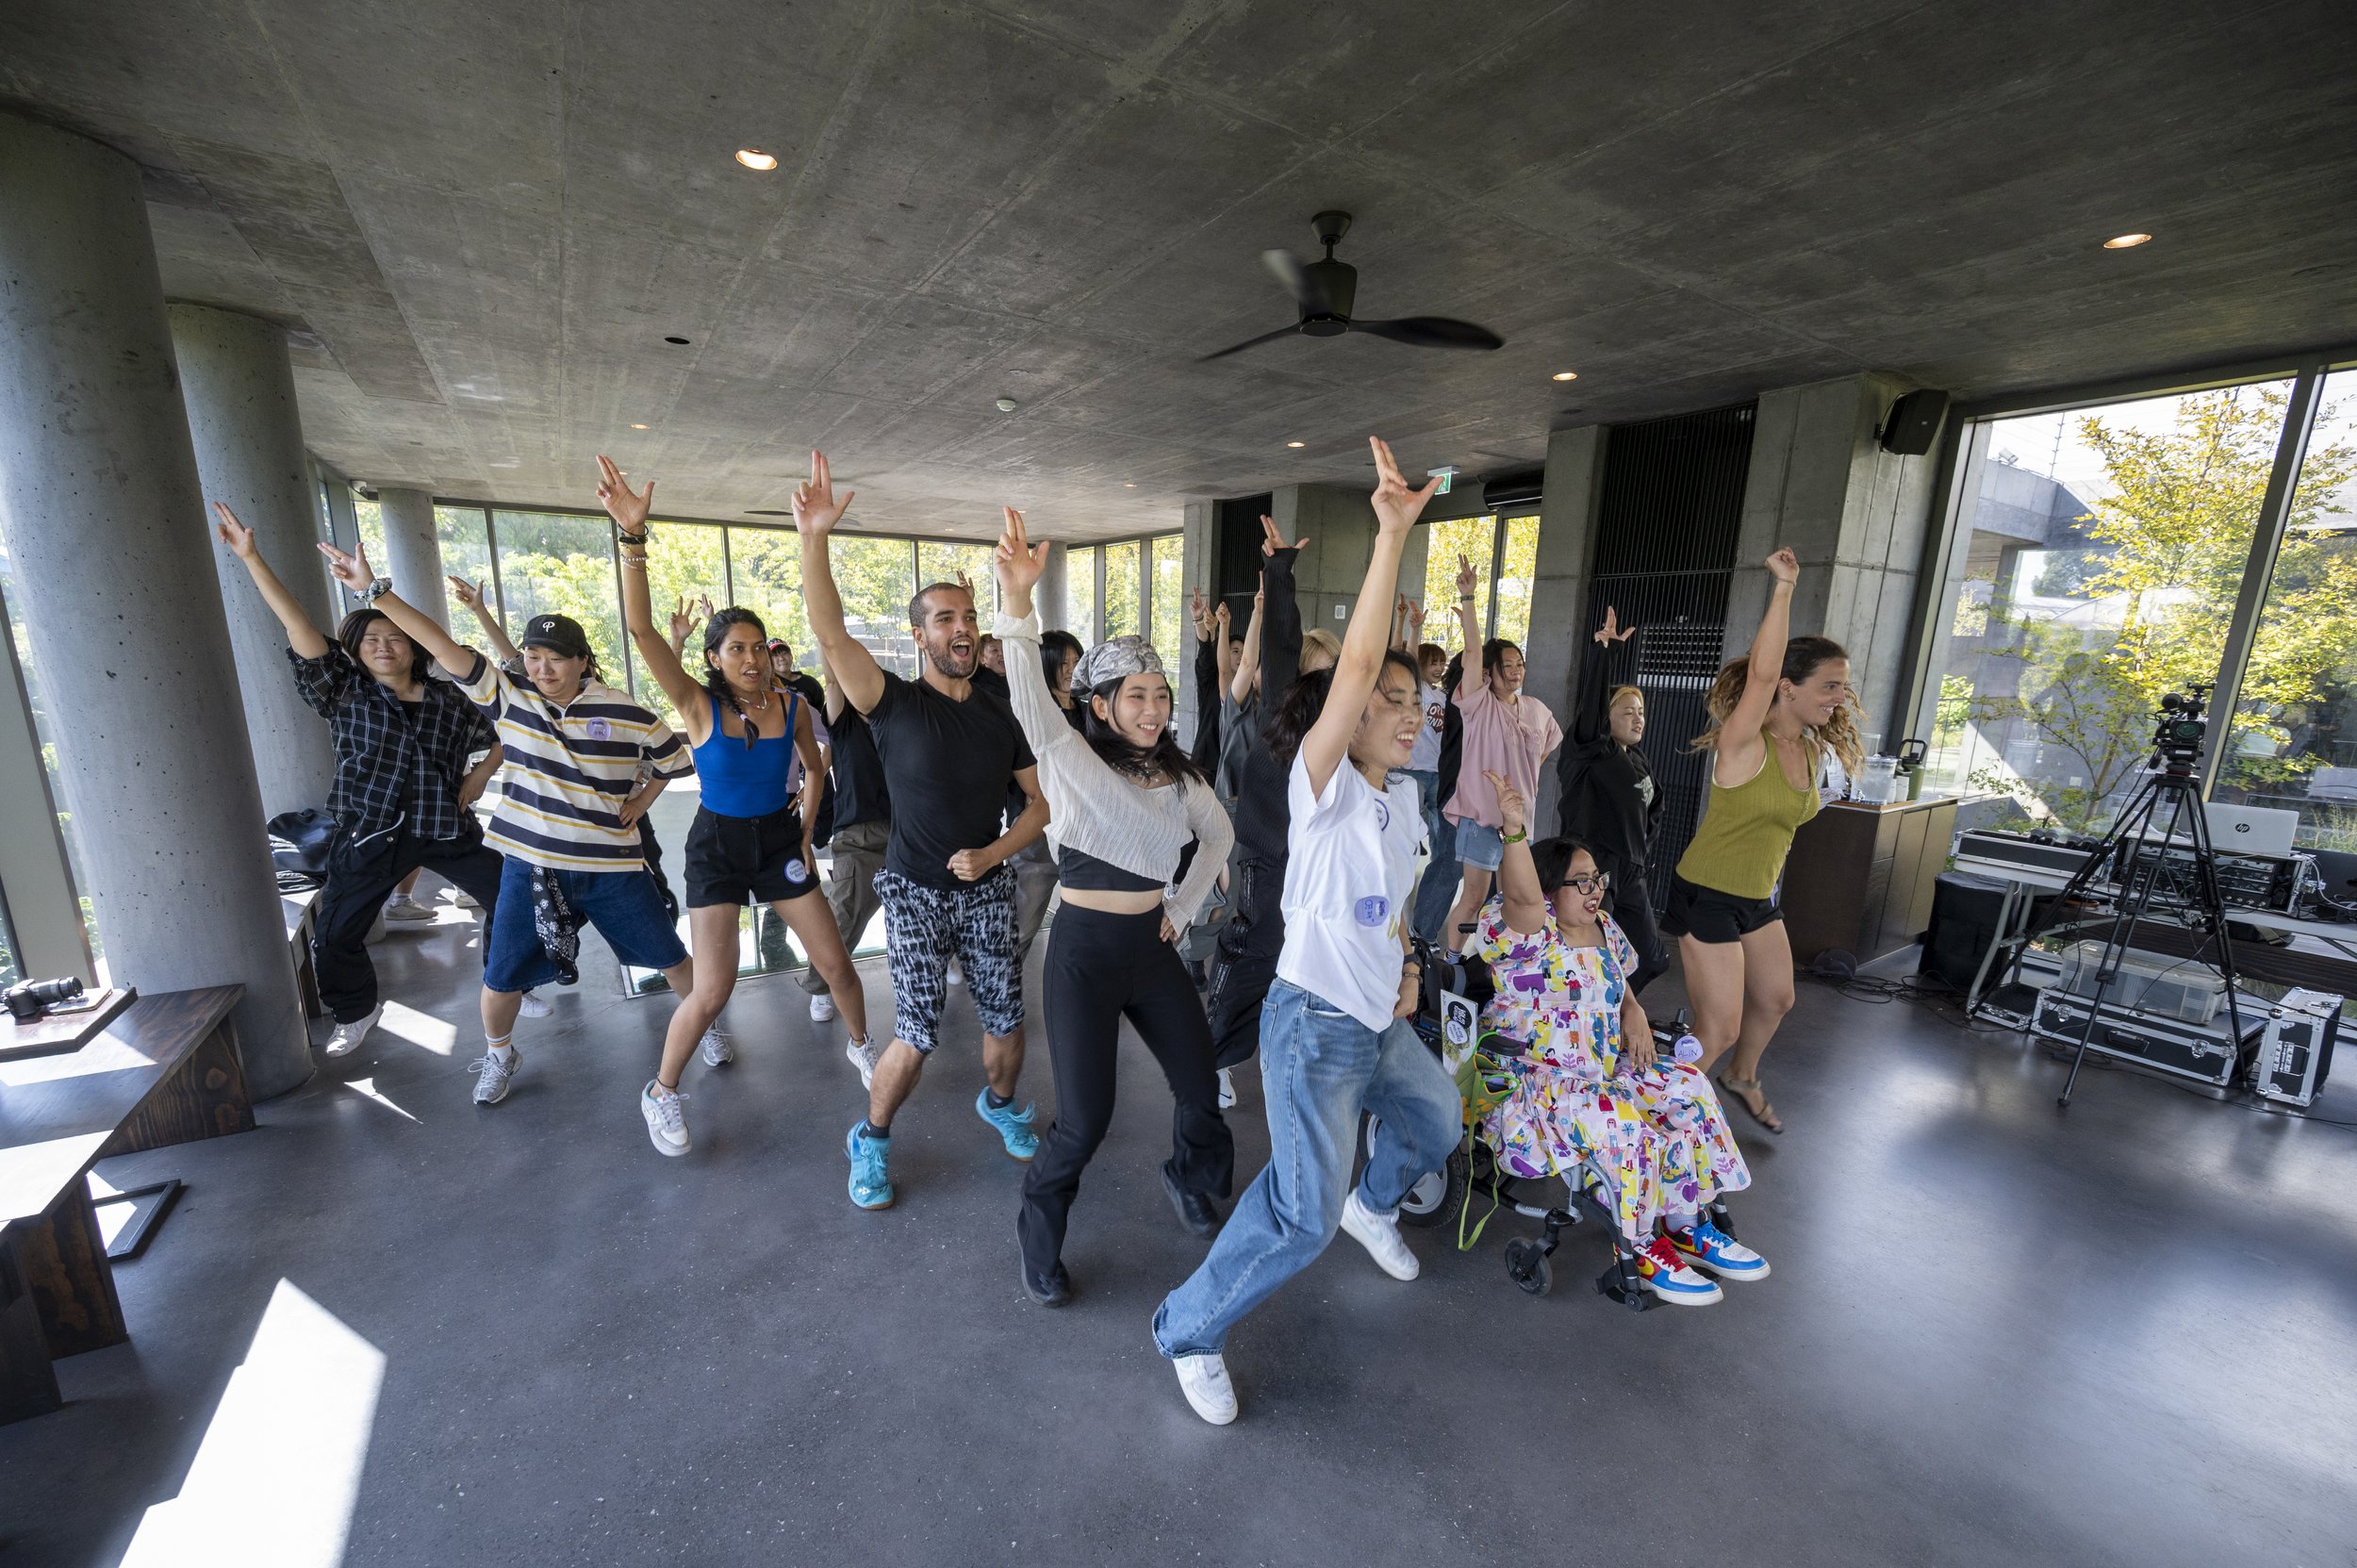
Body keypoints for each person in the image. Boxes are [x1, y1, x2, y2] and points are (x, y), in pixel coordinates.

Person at [1154, 437, 1461, 1427]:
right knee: (1297, 1217)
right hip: (1312, 1027)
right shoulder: (1319, 790)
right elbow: (1361, 657)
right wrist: (1390, 535)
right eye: (1388, 702)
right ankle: (1187, 1329)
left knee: (1436, 1124)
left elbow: (1400, 904)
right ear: (1342, 714)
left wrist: (1410, 962)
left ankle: (1376, 1205)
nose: (1406, 715)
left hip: (1377, 1018)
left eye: (1417, 703)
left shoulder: (1401, 802)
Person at [319, 539, 699, 1114]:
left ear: (582, 662)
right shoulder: (507, 698)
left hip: (611, 866)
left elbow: (675, 762)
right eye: (532, 654)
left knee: (672, 959)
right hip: (531, 866)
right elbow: (443, 646)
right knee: (500, 979)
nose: (542, 667)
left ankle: (703, 1026)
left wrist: (640, 802)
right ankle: (500, 1054)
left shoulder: (627, 711)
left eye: (556, 657)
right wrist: (375, 593)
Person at [989, 507, 1237, 1305]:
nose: (1154, 708)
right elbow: (1027, 692)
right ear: (1100, 704)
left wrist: (1184, 908)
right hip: (1086, 953)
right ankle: (1038, 1229)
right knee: (1085, 1121)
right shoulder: (1069, 762)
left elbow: (1221, 839)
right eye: (1136, 696)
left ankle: (1191, 1177)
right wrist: (1016, 604)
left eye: (1161, 694)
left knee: (1201, 1086)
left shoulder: (1182, 777)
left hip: (1150, 950)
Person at [793, 450, 1049, 1210]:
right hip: (911, 890)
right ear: (918, 636)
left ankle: (1000, 1105)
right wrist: (814, 539)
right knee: (918, 1029)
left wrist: (994, 853)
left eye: (970, 616)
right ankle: (869, 1137)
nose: (963, 629)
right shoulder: (893, 701)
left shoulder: (1000, 706)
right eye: (946, 619)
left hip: (987, 884)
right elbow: (830, 631)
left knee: (1007, 1022)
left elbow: (1038, 806)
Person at [601, 457, 874, 1155]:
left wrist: (807, 829)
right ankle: (660, 1091)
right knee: (714, 989)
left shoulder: (791, 702)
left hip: (779, 843)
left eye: (759, 647)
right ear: (716, 658)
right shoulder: (697, 706)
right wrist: (634, 540)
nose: (753, 658)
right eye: (738, 649)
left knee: (839, 964)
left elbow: (815, 768)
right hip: (718, 846)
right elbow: (640, 631)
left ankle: (865, 1046)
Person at [212, 504, 506, 1058]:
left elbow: (504, 733)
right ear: (356, 649)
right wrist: (253, 560)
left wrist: (479, 777)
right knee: (336, 933)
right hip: (369, 830)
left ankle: (507, 983)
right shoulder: (345, 691)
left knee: (511, 899)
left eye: (396, 638)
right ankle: (357, 1009)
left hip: (444, 825)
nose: (384, 646)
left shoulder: (448, 700)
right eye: (371, 639)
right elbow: (298, 626)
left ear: (414, 646)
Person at [1467, 771, 1766, 1304]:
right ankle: (1641, 1246)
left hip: (1605, 1067)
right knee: (1626, 1127)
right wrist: (1514, 833)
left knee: (1689, 1091)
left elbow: (1617, 979)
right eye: (1579, 881)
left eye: (1596, 878)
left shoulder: (1604, 926)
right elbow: (1520, 898)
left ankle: (1685, 1222)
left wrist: (1632, 1011)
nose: (1595, 888)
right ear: (1547, 888)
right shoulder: (1527, 934)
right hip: (1541, 1081)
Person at [1665, 549, 1861, 1135]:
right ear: (1788, 687)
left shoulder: (1811, 749)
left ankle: (1741, 1076)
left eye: (1843, 689)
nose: (1839, 698)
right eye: (1829, 686)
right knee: (1718, 1026)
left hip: (1756, 896)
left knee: (1777, 999)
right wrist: (1785, 588)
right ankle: (1657, 1116)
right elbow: (1757, 674)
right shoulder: (1744, 742)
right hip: (1707, 894)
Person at [1440, 555, 1562, 956]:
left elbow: (1542, 752)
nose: (1516, 670)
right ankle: (1451, 961)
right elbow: (1472, 654)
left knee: (1518, 901)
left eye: (1520, 664)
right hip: (1481, 820)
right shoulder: (1478, 704)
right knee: (1474, 898)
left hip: (1518, 824)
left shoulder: (1537, 710)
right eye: (1507, 665)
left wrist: (1522, 780)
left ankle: (1507, 966)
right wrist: (1471, 599)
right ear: (1491, 672)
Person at [1554, 606, 1668, 991]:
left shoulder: (1637, 759)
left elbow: (1653, 810)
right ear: (1608, 716)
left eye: (1641, 712)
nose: (1638, 719)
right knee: (1592, 954)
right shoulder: (1590, 749)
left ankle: (1614, 1012)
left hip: (1631, 870)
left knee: (1651, 959)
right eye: (1627, 711)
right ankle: (1587, 1019)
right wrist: (1605, 653)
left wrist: (1642, 849)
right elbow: (1589, 712)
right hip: (1593, 867)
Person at [798, 644, 891, 1027]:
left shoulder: (895, 720)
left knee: (937, 902)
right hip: (858, 833)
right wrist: (828, 637)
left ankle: (949, 960)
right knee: (846, 914)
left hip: (908, 828)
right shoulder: (843, 720)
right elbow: (833, 677)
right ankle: (822, 987)